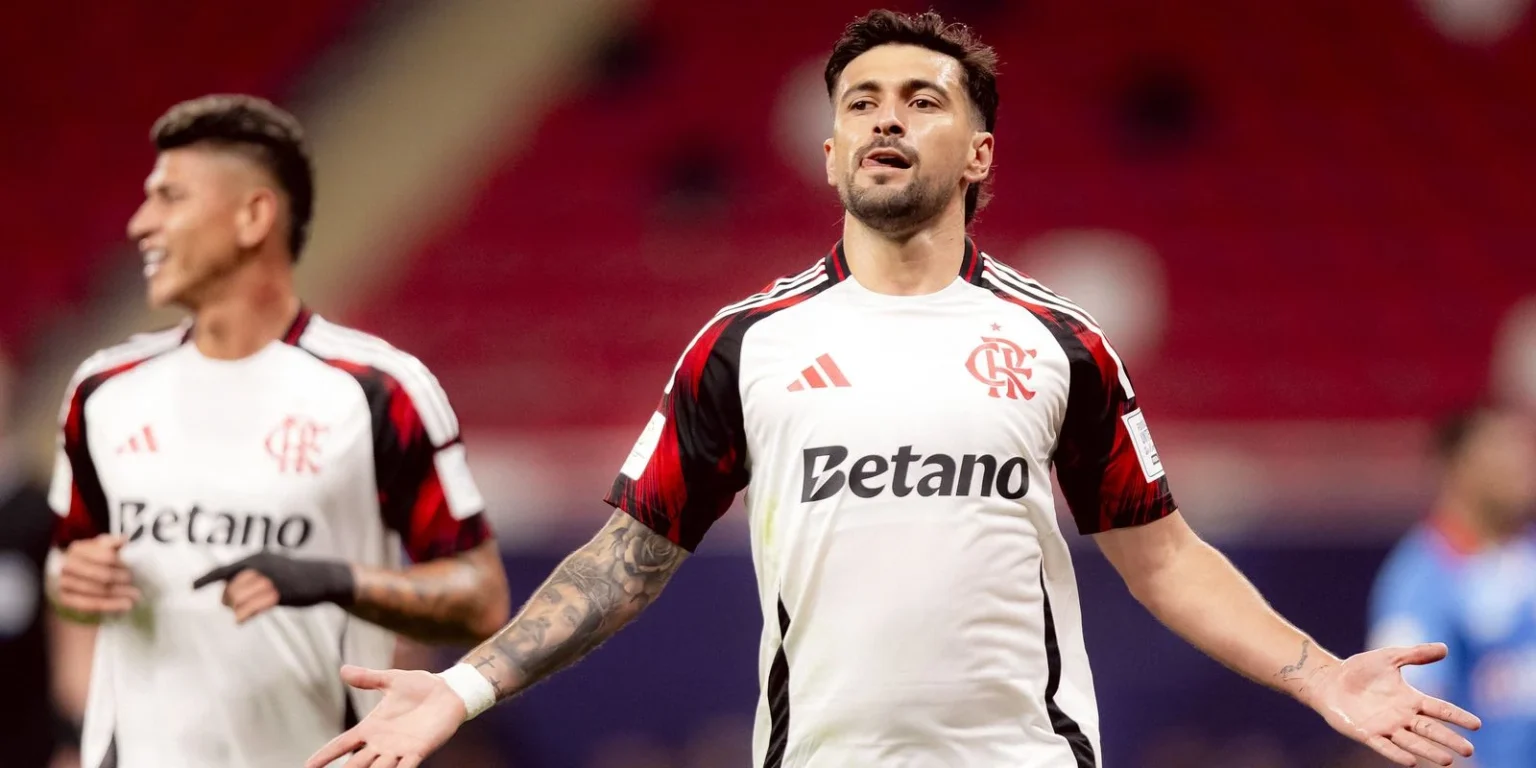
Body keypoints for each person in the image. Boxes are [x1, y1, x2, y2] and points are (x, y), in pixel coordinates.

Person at [309, 10, 1480, 768]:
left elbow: (1163, 558)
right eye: (861, 101)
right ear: (830, 154)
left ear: (979, 153)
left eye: (923, 100)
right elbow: (626, 559)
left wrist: (1321, 677)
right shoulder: (743, 345)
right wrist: (462, 691)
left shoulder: (1060, 343)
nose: (886, 117)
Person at [45, 94, 511, 768]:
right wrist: (76, 579)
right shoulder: (101, 390)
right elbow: (69, 569)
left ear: (253, 216)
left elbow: (480, 597)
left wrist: (331, 579)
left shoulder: (379, 391)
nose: (141, 223)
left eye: (170, 197)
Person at [1369, 405, 1536, 768]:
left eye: (1524, 451)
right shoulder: (1418, 582)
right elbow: (1410, 724)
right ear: (1456, 466)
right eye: (1501, 451)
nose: (1522, 466)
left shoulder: (1528, 555)